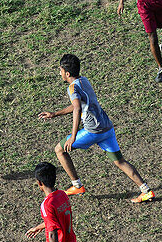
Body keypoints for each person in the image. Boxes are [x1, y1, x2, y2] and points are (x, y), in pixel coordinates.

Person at [38, 54, 154, 203]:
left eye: (60, 70)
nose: (59, 73)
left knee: (59, 150)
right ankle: (146, 191)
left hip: (93, 131)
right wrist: (55, 114)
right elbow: (76, 105)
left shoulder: (72, 88)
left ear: (67, 73)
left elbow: (77, 108)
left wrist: (73, 136)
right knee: (120, 161)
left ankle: (77, 185)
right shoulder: (84, 80)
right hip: (107, 128)